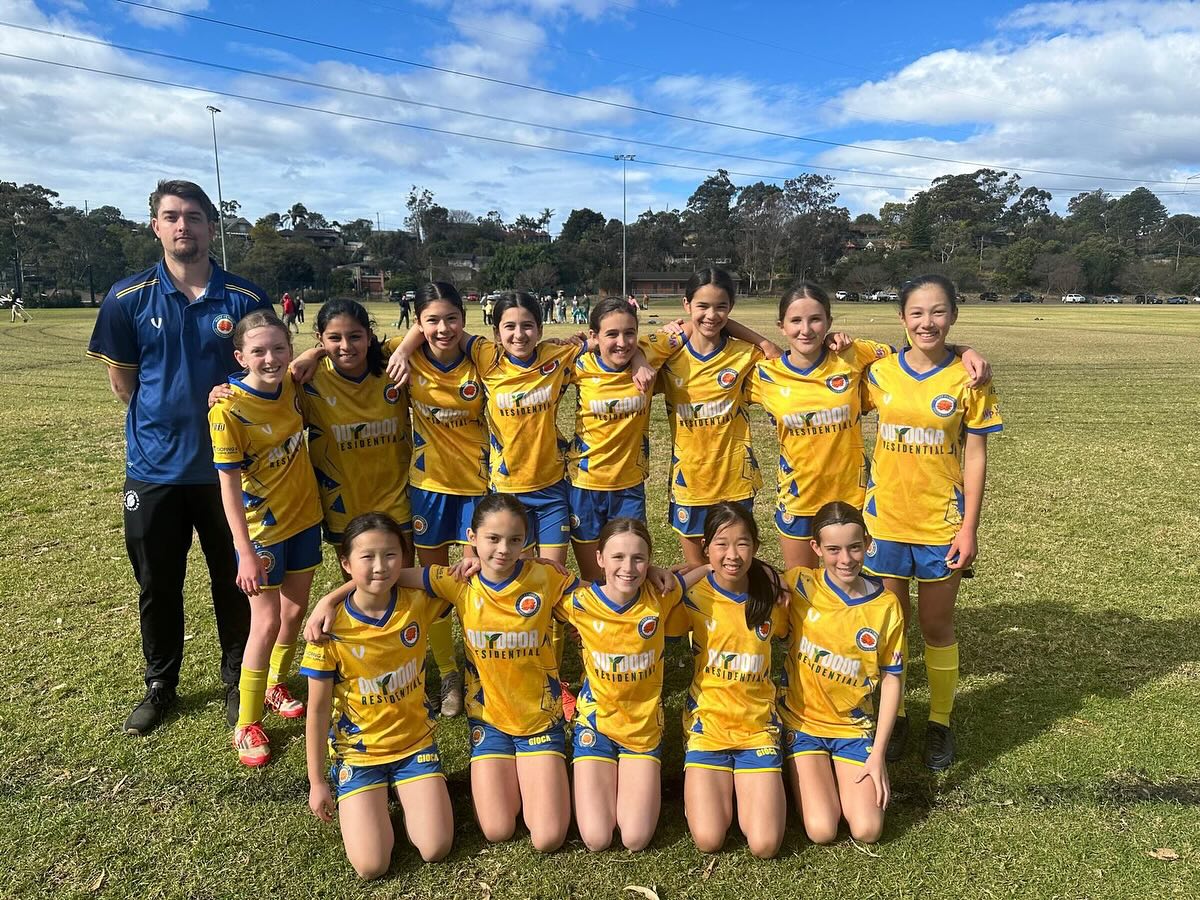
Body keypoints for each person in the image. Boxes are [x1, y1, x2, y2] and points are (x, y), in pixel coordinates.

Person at [86, 178, 270, 736]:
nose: (182, 225)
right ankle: (160, 683)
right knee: (157, 582)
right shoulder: (127, 298)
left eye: (193, 216)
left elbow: (263, 370)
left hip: (229, 473)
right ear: (156, 226)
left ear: (211, 226)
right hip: (154, 470)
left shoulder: (245, 298)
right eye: (171, 216)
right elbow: (125, 382)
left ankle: (239, 675)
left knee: (234, 579)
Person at [307, 494, 580, 852]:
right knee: (496, 829)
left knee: (547, 839)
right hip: (489, 721)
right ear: (472, 538)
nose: (503, 548)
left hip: (540, 721)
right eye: (493, 539)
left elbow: (608, 601)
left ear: (527, 541)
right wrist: (329, 599)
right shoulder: (458, 581)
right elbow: (383, 577)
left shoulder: (546, 578)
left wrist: (653, 575)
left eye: (515, 540)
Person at [746, 282, 991, 569]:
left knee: (852, 586)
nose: (806, 329)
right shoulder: (763, 375)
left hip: (854, 497)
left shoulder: (855, 354)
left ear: (829, 323)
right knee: (802, 588)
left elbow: (917, 351)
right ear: (781, 326)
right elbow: (714, 340)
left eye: (815, 319)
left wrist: (963, 351)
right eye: (796, 321)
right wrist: (762, 343)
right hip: (798, 499)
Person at [862, 274, 1003, 770]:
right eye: (917, 313)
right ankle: (893, 717)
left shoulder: (970, 378)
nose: (928, 322)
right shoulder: (877, 372)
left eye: (938, 311)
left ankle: (940, 720)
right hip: (883, 524)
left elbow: (976, 456)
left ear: (953, 316)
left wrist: (969, 528)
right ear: (901, 318)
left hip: (940, 524)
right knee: (891, 628)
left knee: (936, 625)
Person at [302, 513, 454, 879]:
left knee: (436, 848)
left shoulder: (417, 602)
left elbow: (458, 578)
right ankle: (363, 789)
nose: (380, 566)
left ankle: (407, 786)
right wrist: (317, 782)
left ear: (404, 559)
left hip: (414, 745)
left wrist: (330, 593)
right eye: (366, 557)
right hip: (361, 753)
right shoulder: (329, 630)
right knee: (372, 866)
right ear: (345, 562)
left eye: (390, 555)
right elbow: (318, 712)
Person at [209, 310, 323, 766]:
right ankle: (247, 722)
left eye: (279, 348)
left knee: (294, 614)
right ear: (240, 357)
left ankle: (275, 682)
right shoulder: (227, 409)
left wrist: (314, 350)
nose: (270, 358)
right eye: (258, 351)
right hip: (263, 533)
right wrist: (244, 553)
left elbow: (314, 357)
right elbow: (228, 489)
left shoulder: (292, 384)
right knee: (266, 622)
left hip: (305, 520)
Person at [567, 518, 709, 851]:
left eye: (638, 558)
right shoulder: (579, 601)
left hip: (642, 731)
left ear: (649, 560)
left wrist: (662, 571)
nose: (628, 568)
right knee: (596, 838)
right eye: (617, 557)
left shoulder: (659, 595)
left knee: (635, 837)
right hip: (596, 725)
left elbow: (701, 570)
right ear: (599, 558)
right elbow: (535, 579)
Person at [666, 502, 788, 858]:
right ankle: (707, 789)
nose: (732, 554)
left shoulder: (773, 597)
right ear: (705, 547)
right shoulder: (692, 596)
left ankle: (763, 785)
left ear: (756, 547)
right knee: (708, 839)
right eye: (721, 543)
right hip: (709, 726)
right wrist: (690, 571)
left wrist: (772, 576)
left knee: (764, 845)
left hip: (757, 728)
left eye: (743, 543)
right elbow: (658, 596)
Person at [779, 501, 904, 844]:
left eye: (854, 547)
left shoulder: (886, 605)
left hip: (853, 728)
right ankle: (793, 769)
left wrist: (878, 754)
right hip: (802, 723)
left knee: (867, 829)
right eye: (833, 550)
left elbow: (893, 677)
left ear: (867, 542)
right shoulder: (800, 584)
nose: (845, 559)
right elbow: (744, 578)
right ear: (816, 549)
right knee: (822, 829)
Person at [641, 268, 776, 566]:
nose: (711, 315)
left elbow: (778, 358)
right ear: (686, 305)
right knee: (697, 572)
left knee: (734, 569)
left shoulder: (745, 354)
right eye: (702, 306)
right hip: (690, 483)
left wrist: (761, 341)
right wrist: (672, 334)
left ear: (731, 308)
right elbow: (630, 354)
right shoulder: (670, 357)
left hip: (735, 480)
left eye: (721, 306)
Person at [404, 282, 490, 716]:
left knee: (477, 578)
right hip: (428, 489)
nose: (443, 328)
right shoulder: (405, 360)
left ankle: (479, 669)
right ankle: (447, 673)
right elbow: (341, 344)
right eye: (432, 320)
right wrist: (307, 354)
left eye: (451, 318)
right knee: (434, 584)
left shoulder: (479, 358)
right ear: (418, 324)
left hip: (476, 488)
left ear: (464, 318)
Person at [566, 297, 654, 582]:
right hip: (584, 486)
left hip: (629, 486)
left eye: (630, 333)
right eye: (612, 334)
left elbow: (698, 324)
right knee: (594, 580)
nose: (622, 342)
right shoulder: (578, 365)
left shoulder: (651, 356)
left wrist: (640, 356)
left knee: (626, 578)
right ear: (594, 336)